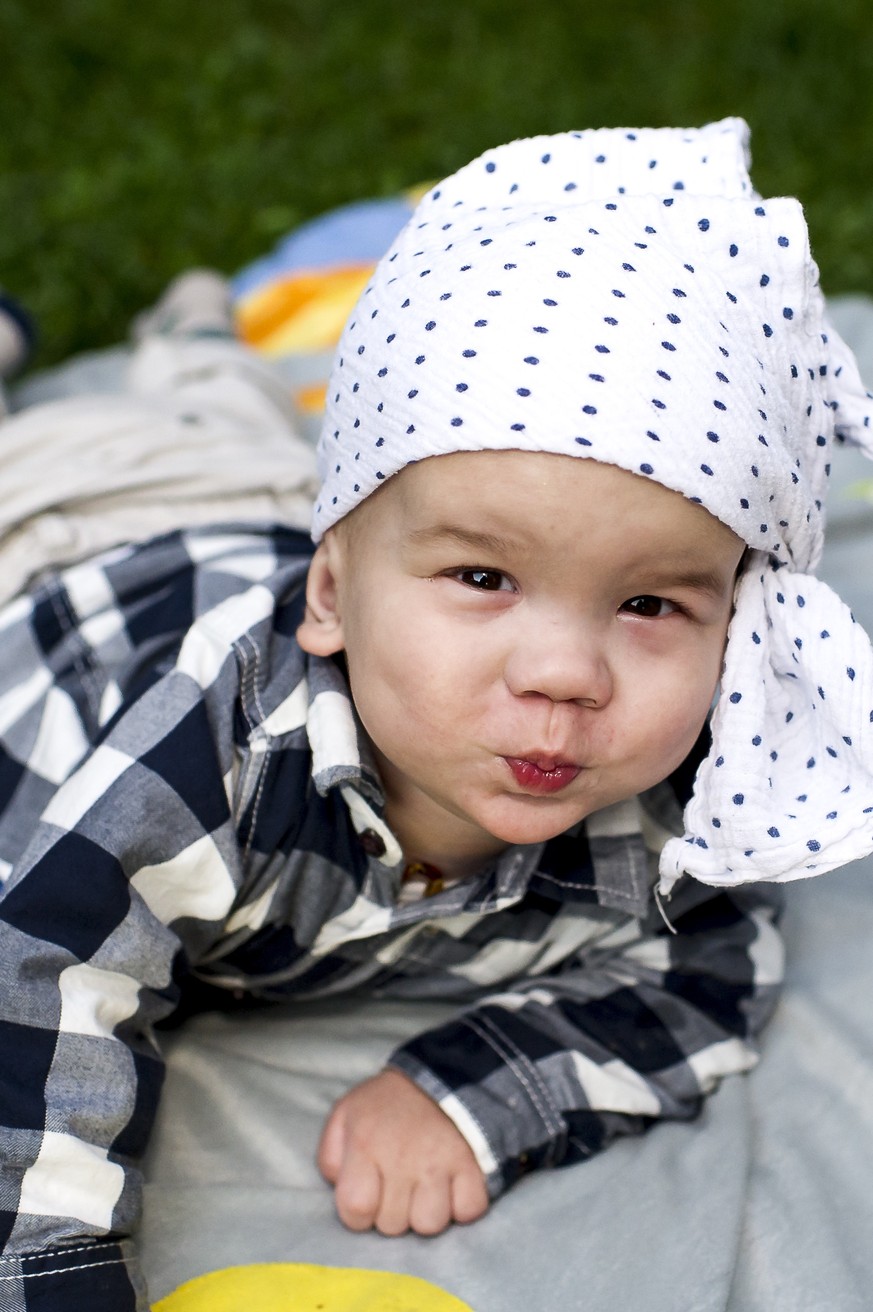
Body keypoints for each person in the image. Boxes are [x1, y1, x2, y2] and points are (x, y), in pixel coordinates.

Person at [1, 118, 872, 1312]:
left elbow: (714, 970)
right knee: (140, 437)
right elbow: (39, 977)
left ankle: (213, 357)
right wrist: (48, 1269)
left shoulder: (682, 808)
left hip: (277, 509)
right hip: (61, 543)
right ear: (331, 602)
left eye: (650, 601)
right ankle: (157, 343)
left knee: (253, 440)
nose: (566, 671)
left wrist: (483, 1083)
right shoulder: (210, 748)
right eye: (484, 579)